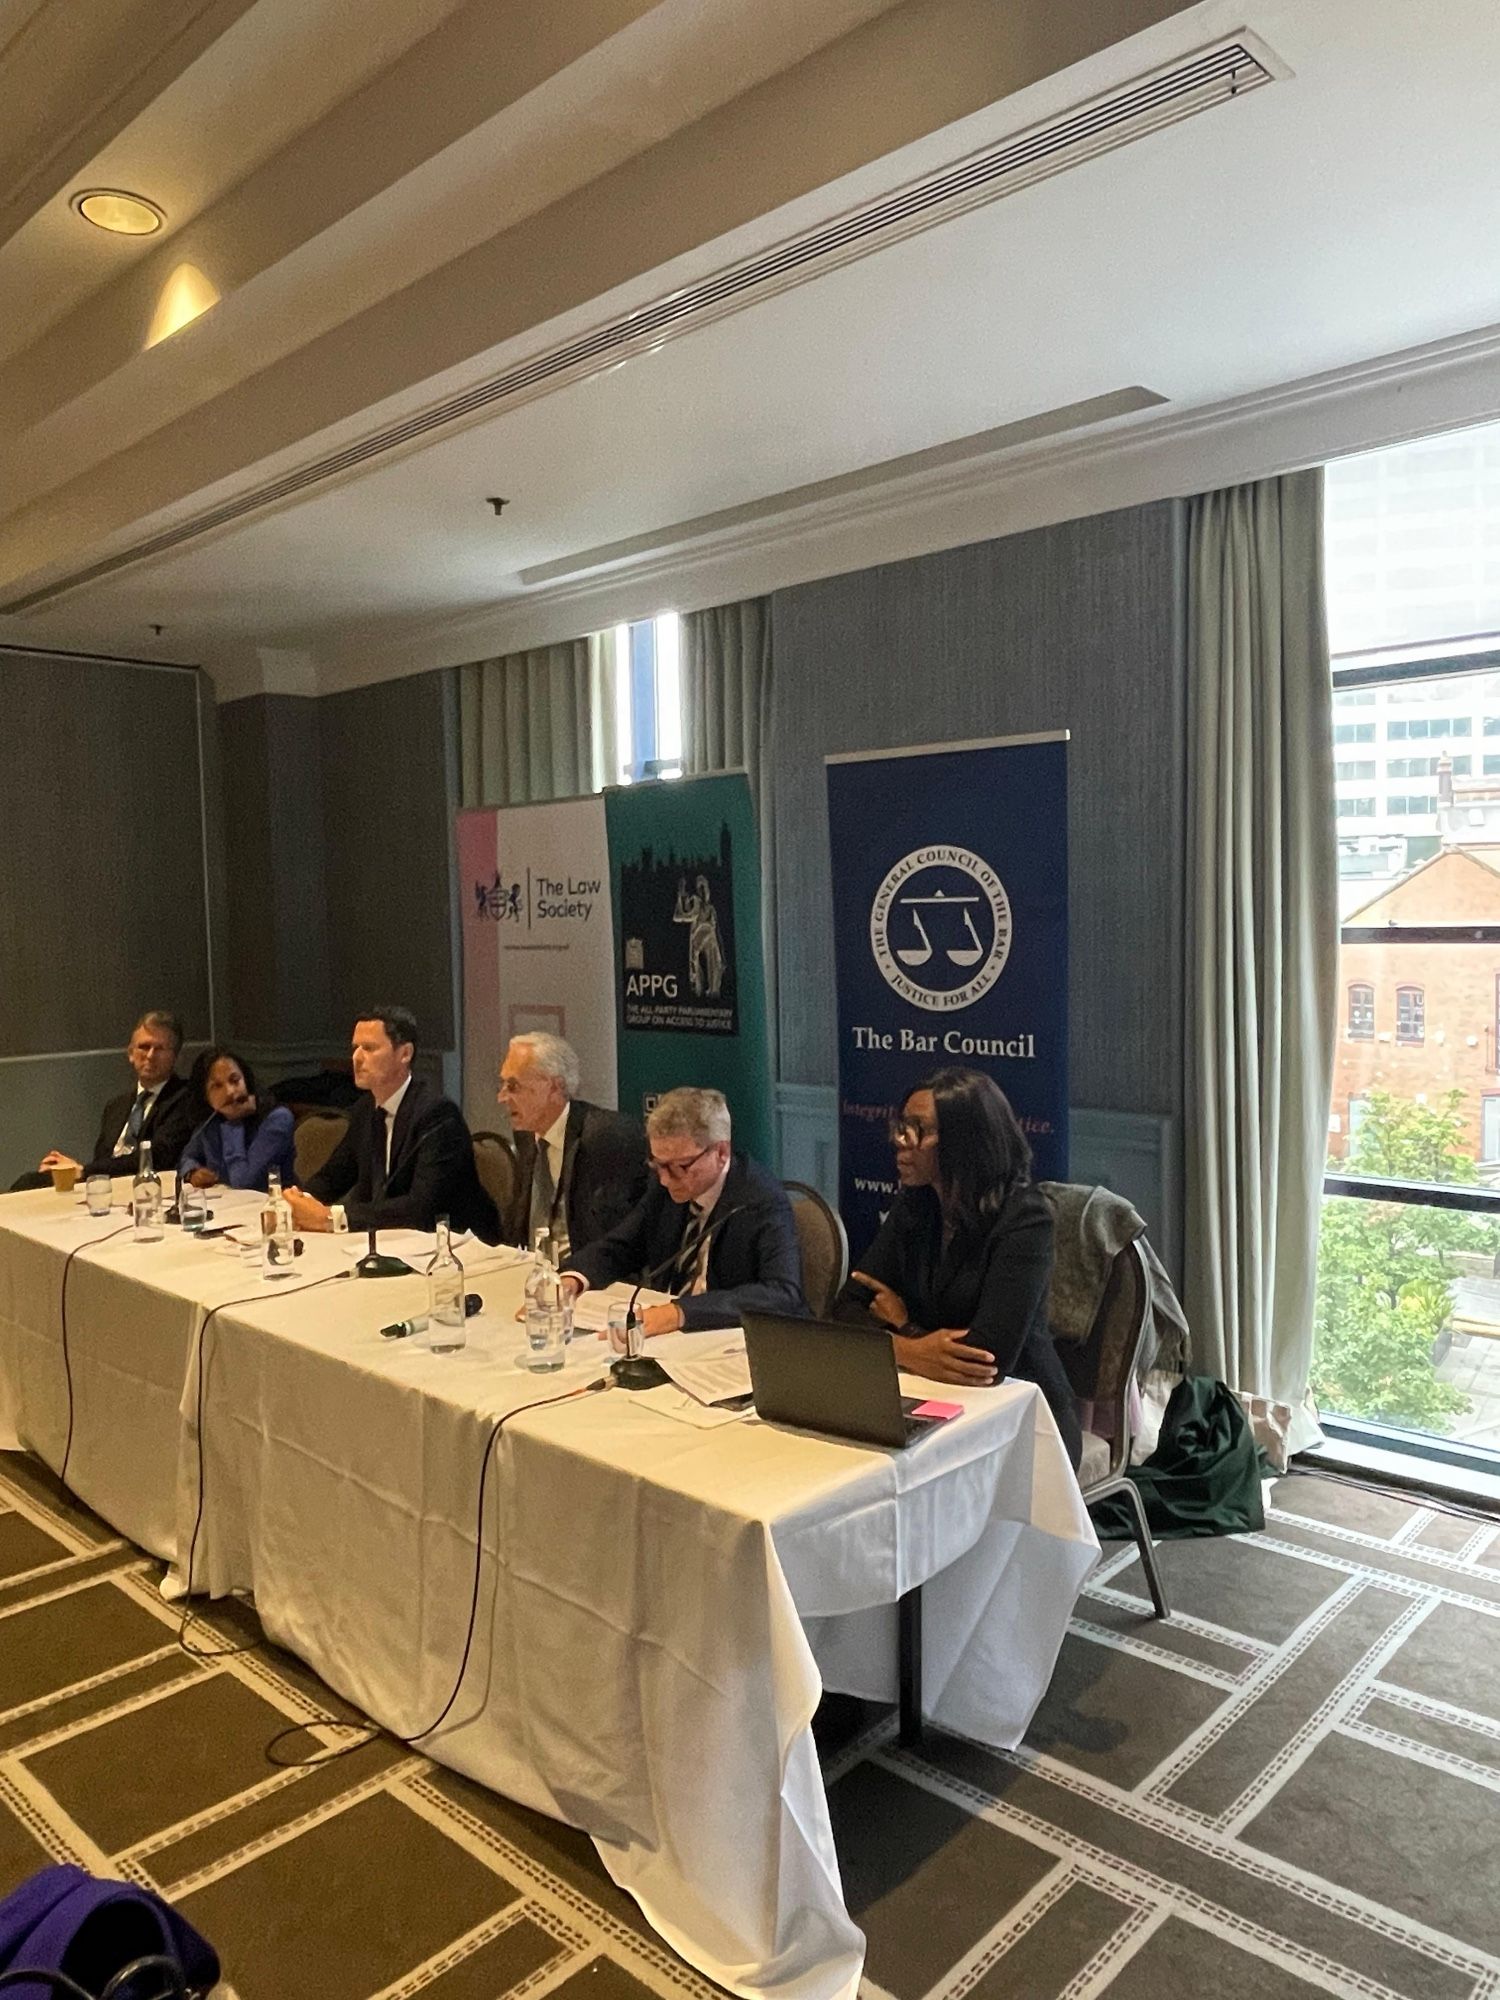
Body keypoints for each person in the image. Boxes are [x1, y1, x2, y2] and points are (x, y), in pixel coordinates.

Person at [834, 1067, 1082, 1468]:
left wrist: (902, 1324)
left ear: (965, 1140)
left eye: (917, 1129)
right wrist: (912, 1350)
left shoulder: (1025, 1218)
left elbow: (986, 1359)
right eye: (901, 1126)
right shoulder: (916, 1205)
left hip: (1023, 1419)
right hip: (933, 1399)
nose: (900, 1142)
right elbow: (846, 1308)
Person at [561, 1086, 805, 1333]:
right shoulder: (665, 1185)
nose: (666, 1180)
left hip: (731, 1339)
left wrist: (680, 1312)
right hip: (668, 1338)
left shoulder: (761, 1200)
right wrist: (572, 1279)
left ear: (721, 1152)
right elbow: (623, 1245)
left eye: (680, 1167)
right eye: (657, 1165)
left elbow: (781, 1293)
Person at [284, 1007, 498, 1240]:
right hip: (391, 1243)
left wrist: (332, 1217)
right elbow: (333, 1177)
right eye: (355, 1048)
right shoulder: (365, 1110)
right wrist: (298, 1201)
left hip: (455, 1246)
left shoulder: (437, 1115)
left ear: (405, 1053)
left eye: (369, 1048)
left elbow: (421, 1207)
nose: (356, 1058)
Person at [496, 1032, 645, 1257]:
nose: (502, 1097)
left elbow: (619, 1237)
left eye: (513, 1085)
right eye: (503, 1084)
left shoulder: (605, 1139)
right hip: (532, 1271)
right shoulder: (527, 1135)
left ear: (555, 1088)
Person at [20, 1011, 194, 1187]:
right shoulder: (116, 1106)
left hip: (148, 1189)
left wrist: (83, 1171)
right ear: (131, 1054)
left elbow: (157, 1155)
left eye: (160, 1048)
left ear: (177, 1058)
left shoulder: (186, 1098)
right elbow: (103, 1160)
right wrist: (70, 1170)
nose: (150, 1055)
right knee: (29, 1182)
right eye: (144, 1047)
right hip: (104, 1188)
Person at [177, 1047, 297, 1193]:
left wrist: (233, 1124)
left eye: (235, 1080)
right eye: (217, 1086)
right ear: (204, 1096)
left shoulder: (277, 1119)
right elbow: (187, 1156)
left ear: (246, 1080)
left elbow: (244, 1183)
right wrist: (193, 1171)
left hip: (272, 1207)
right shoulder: (212, 1119)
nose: (230, 1091)